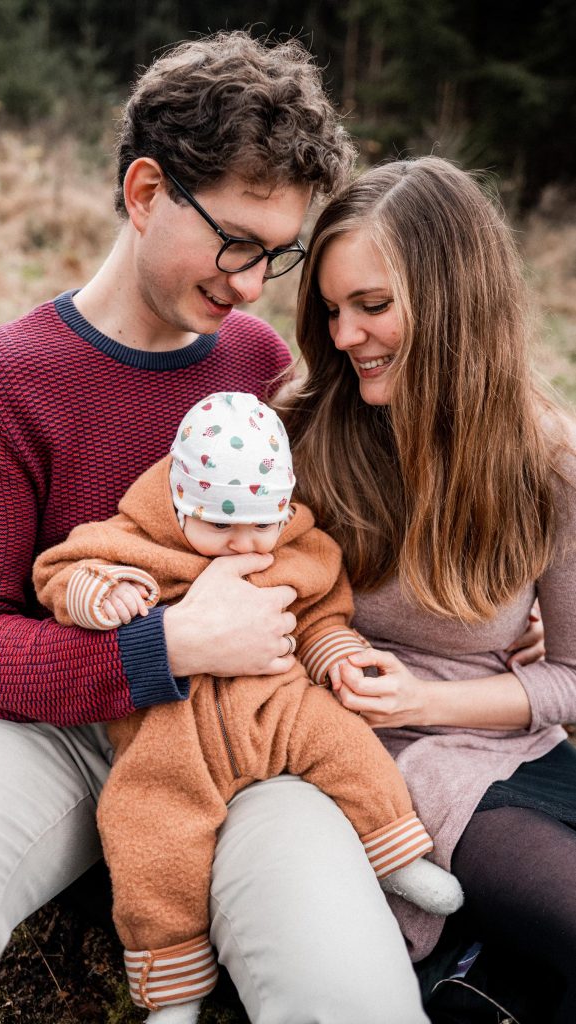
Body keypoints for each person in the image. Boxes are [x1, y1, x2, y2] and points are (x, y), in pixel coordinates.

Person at [0, 31, 435, 1024]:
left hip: (248, 734)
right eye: (236, 240)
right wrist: (162, 647)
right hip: (50, 737)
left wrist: (485, 610)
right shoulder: (9, 377)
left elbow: (329, 538)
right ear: (146, 192)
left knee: (349, 998)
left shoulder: (261, 360)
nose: (249, 281)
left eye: (278, 253)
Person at [32, 390, 463, 1022]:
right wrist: (100, 594)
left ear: (283, 507)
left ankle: (397, 855)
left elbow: (320, 614)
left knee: (349, 749)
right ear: (180, 502)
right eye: (217, 526)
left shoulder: (299, 545)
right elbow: (63, 570)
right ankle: (173, 985)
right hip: (172, 731)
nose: (240, 544)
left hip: (277, 704)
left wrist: (337, 654)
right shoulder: (138, 541)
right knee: (150, 837)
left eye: (259, 524)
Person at [280, 154, 576, 1023]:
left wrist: (442, 692)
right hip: (389, 763)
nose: (343, 337)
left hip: (511, 747)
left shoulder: (546, 462)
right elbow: (262, 596)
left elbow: (569, 677)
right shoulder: (302, 430)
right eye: (332, 311)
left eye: (372, 307)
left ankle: (485, 981)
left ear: (456, 301)